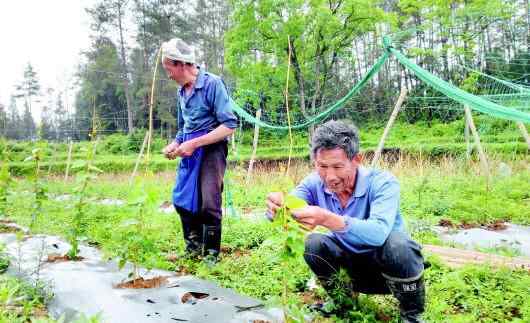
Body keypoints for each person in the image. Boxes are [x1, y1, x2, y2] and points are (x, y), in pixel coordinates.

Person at [266, 120, 425, 322]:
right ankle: (343, 302)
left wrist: (327, 218)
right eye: (322, 166)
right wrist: (277, 208)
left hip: (387, 270)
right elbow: (289, 207)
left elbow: (378, 234)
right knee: (313, 243)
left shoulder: (383, 183)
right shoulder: (314, 183)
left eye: (338, 166)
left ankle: (412, 314)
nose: (330, 176)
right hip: (349, 270)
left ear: (357, 159)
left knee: (398, 244)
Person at [161, 38, 238, 260]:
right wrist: (175, 143)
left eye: (169, 69)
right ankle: (193, 249)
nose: (168, 75)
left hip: (211, 150)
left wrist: (195, 143)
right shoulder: (181, 92)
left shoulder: (212, 84)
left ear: (182, 65)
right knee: (183, 200)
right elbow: (183, 126)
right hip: (189, 148)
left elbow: (229, 125)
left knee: (208, 202)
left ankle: (211, 254)